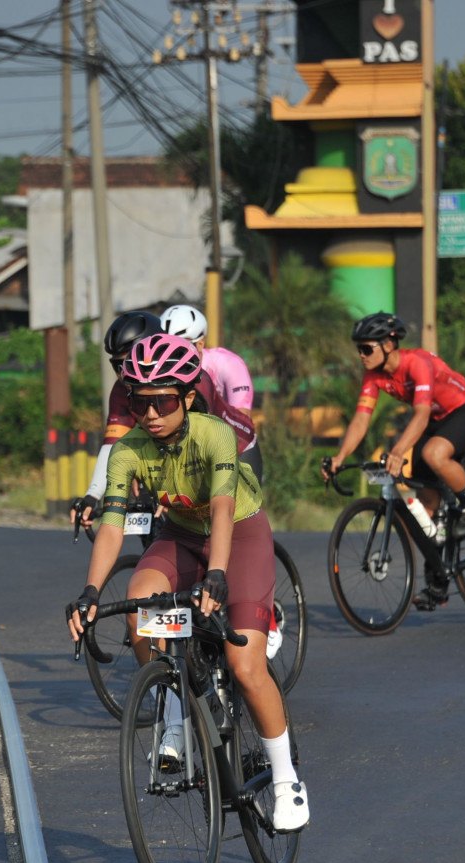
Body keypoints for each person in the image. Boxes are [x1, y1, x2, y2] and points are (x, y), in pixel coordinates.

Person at [66, 333, 308, 831]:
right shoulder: (128, 450)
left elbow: (221, 508)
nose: (151, 413)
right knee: (139, 608)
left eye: (164, 401)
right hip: (180, 536)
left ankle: (287, 781)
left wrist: (216, 574)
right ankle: (173, 709)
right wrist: (90, 593)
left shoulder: (214, 434)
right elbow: (112, 524)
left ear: (188, 396)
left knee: (245, 665)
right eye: (139, 402)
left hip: (239, 533)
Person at [323, 312, 465, 607]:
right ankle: (438, 581)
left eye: (366, 348)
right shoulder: (374, 376)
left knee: (432, 453)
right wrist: (340, 456)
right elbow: (361, 418)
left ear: (388, 345)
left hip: (461, 412)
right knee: (425, 511)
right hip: (433, 422)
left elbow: (421, 414)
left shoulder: (416, 363)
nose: (361, 355)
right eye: (358, 349)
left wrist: (397, 452)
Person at [72, 312, 262, 528]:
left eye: (127, 361)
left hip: (237, 447)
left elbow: (199, 445)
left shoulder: (193, 379)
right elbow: (112, 444)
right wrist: (92, 495)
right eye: (117, 365)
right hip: (173, 454)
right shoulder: (121, 389)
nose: (123, 373)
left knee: (223, 521)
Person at [159, 303, 255, 418]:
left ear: (200, 344)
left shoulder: (228, 363)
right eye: (164, 347)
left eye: (180, 347)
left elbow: (243, 418)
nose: (170, 353)